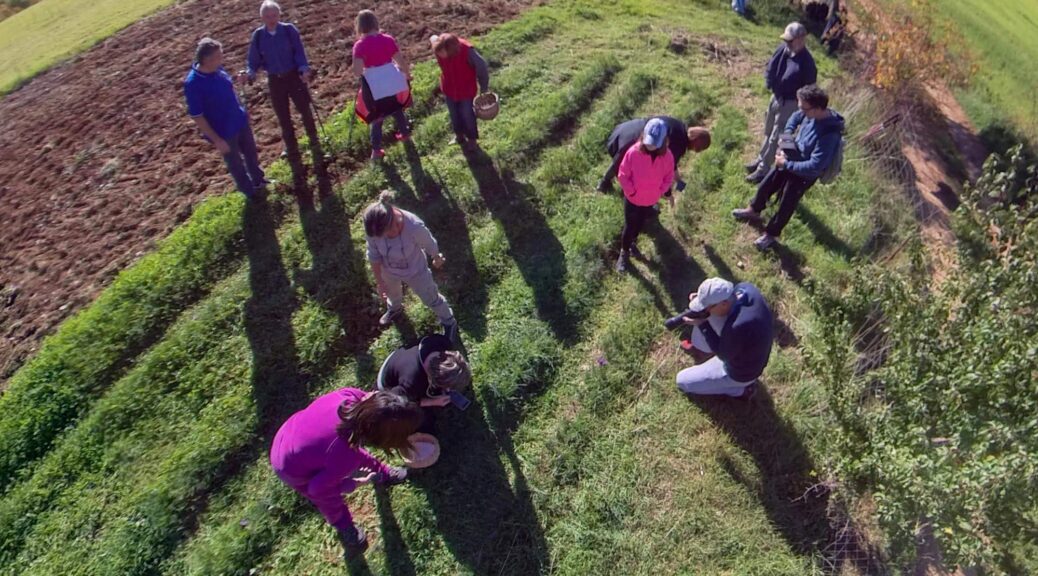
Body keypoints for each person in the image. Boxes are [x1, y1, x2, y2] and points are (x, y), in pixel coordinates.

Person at [270, 389, 419, 560]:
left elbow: (352, 447)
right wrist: (349, 484)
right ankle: (343, 526)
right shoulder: (343, 456)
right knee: (329, 496)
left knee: (350, 455)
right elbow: (317, 490)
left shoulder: (349, 396)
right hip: (289, 466)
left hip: (291, 431)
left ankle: (383, 472)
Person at [732, 84, 845, 250]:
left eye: (804, 108)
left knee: (787, 203)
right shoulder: (809, 112)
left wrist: (786, 164)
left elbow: (815, 165)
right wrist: (786, 139)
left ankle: (770, 235)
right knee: (766, 184)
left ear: (817, 108)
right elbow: (794, 118)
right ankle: (753, 210)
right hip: (792, 156)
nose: (801, 111)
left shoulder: (829, 134)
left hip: (804, 173)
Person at [243, 1, 325, 190]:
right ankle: (291, 148)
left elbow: (300, 53)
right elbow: (253, 61)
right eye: (268, 16)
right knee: (283, 115)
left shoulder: (289, 30)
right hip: (275, 80)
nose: (272, 19)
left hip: (294, 76)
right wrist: (249, 73)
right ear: (262, 18)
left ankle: (314, 139)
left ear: (279, 15)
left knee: (304, 108)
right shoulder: (258, 36)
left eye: (274, 15)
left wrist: (304, 69)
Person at [364, 191, 459, 340]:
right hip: (388, 271)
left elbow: (429, 243)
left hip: (416, 270)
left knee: (430, 297)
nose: (383, 237)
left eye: (387, 233)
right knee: (392, 293)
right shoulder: (375, 227)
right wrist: (380, 282)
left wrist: (436, 256)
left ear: (395, 219)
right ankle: (394, 308)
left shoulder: (414, 226)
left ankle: (449, 321)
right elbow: (373, 255)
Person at [184, 37, 269, 199]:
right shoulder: (193, 84)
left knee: (251, 154)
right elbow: (197, 116)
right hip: (224, 131)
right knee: (236, 164)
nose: (222, 58)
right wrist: (216, 140)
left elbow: (226, 89)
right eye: (219, 56)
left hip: (239, 121)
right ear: (207, 59)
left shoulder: (217, 69)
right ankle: (250, 193)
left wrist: (239, 81)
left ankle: (259, 181)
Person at [675, 278, 773, 399]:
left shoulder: (737, 327)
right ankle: (703, 351)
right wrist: (702, 300)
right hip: (749, 344)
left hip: (741, 372)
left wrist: (702, 324)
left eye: (708, 307)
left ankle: (744, 390)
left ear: (724, 304)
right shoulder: (745, 288)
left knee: (682, 381)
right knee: (708, 315)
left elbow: (723, 354)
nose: (705, 309)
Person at [745, 22, 817, 184]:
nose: (787, 43)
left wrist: (800, 112)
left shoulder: (807, 63)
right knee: (768, 131)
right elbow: (771, 67)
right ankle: (760, 159)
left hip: (791, 105)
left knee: (779, 138)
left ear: (800, 40)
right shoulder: (784, 50)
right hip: (776, 98)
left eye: (790, 40)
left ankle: (764, 171)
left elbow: (809, 90)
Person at [614, 118, 675, 273]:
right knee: (629, 225)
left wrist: (661, 190)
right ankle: (624, 252)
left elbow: (669, 176)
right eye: (648, 140)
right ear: (643, 135)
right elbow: (622, 174)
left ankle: (633, 241)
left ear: (664, 141)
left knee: (641, 222)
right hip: (633, 199)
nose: (650, 145)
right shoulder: (633, 152)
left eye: (655, 142)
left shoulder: (667, 157)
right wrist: (631, 191)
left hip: (650, 199)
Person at [377, 333, 471, 429]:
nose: (447, 389)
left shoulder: (441, 343)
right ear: (432, 379)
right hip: (388, 381)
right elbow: (398, 400)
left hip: (401, 357)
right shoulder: (412, 382)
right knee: (425, 422)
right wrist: (431, 402)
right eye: (445, 386)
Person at [352, 10, 412, 160]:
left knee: (377, 116)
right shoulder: (388, 39)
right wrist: (407, 74)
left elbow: (357, 71)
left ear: (359, 26)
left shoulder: (359, 46)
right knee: (396, 107)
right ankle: (405, 134)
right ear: (375, 23)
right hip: (391, 79)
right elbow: (400, 60)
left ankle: (377, 150)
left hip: (374, 85)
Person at [597, 116, 710, 192]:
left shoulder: (679, 126)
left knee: (621, 159)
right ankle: (640, 202)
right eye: (697, 149)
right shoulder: (679, 143)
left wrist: (678, 180)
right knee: (629, 164)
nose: (695, 151)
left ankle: (604, 182)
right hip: (634, 139)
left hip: (628, 129)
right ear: (695, 144)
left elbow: (672, 163)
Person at [430, 33, 490, 150]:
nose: (440, 55)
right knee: (454, 114)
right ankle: (459, 136)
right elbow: (432, 38)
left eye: (442, 53)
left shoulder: (467, 51)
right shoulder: (439, 46)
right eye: (438, 53)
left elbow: (481, 67)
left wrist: (484, 89)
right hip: (449, 88)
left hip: (466, 90)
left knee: (467, 114)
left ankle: (472, 140)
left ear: (451, 50)